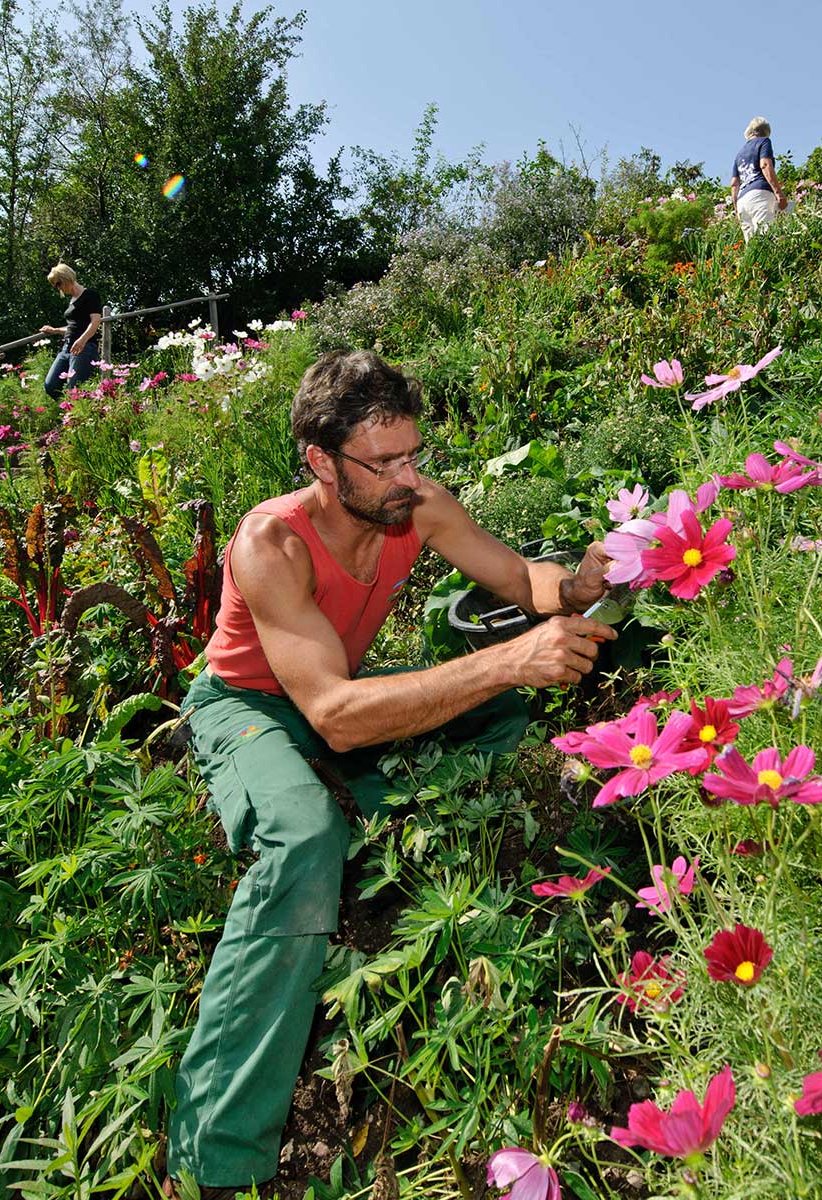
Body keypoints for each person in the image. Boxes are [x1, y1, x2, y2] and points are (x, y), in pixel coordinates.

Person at [165, 349, 615, 1193]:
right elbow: (333, 713)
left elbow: (521, 578)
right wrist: (505, 661)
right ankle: (212, 1153)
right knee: (305, 835)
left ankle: (342, 792)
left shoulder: (415, 506)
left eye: (414, 455)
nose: (408, 477)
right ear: (321, 462)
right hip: (251, 704)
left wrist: (578, 585)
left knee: (495, 720)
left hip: (335, 694)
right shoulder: (272, 541)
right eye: (385, 463)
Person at [39, 263, 103, 399]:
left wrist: (82, 340)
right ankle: (69, 411)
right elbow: (74, 327)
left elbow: (95, 321)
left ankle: (77, 415)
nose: (58, 288)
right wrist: (55, 330)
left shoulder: (90, 295)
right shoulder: (72, 301)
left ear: (65, 279)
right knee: (51, 385)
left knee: (74, 389)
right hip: (67, 347)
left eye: (58, 284)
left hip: (84, 347)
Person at [731, 116, 786, 239]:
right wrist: (779, 193)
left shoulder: (739, 154)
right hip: (760, 194)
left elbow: (734, 184)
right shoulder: (764, 142)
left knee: (751, 246)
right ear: (765, 132)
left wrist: (736, 210)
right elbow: (765, 165)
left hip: (742, 201)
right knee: (766, 238)